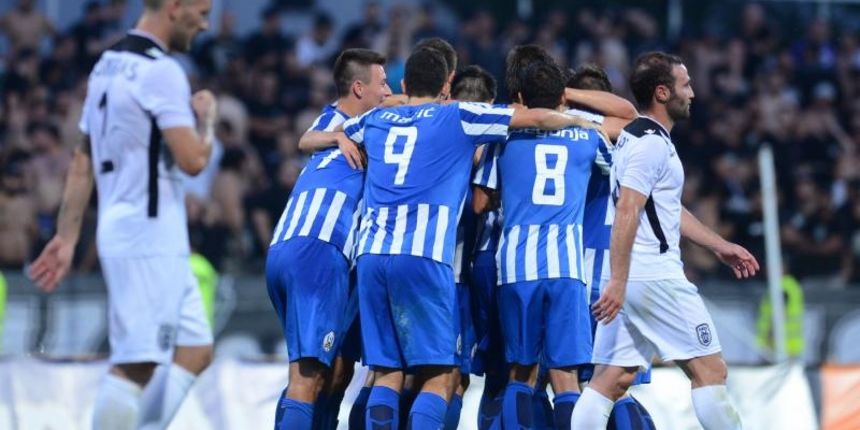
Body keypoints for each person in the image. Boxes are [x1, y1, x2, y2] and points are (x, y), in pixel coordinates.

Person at [339, 47, 600, 429]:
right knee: (442, 375)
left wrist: (338, 139)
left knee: (386, 372)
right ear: (446, 85)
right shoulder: (459, 115)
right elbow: (534, 117)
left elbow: (329, 132)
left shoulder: (376, 119)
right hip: (426, 257)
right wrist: (582, 122)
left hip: (372, 255)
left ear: (405, 83)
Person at [29, 1, 216, 429]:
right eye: (200, 11)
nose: (204, 24)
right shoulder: (162, 71)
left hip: (138, 230)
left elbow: (82, 158)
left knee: (195, 349)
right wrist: (205, 120)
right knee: (136, 363)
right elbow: (192, 160)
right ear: (173, 7)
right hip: (147, 235)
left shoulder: (107, 66)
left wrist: (67, 236)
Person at [572, 51, 760, 430]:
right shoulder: (650, 145)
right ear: (662, 92)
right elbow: (628, 209)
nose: (692, 93)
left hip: (632, 277)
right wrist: (619, 281)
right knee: (710, 369)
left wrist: (718, 245)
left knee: (611, 380)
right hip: (654, 276)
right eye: (685, 84)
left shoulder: (636, 136)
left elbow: (667, 209)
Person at [473, 61, 610, 430]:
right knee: (566, 375)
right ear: (561, 98)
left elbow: (480, 202)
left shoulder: (503, 139)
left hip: (517, 266)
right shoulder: (589, 136)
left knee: (521, 372)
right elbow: (621, 169)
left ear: (520, 98)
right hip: (567, 268)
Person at [266, 48, 391, 430]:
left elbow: (305, 139)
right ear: (358, 88)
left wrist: (336, 137)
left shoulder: (332, 119)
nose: (388, 91)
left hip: (290, 247)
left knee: (334, 368)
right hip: (318, 249)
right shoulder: (370, 124)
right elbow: (305, 140)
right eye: (382, 83)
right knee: (306, 377)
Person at [567, 63, 656, 430]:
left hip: (578, 274)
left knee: (568, 383)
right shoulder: (645, 143)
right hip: (628, 277)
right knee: (619, 388)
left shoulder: (567, 138)